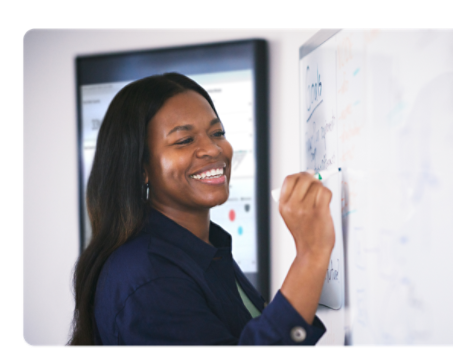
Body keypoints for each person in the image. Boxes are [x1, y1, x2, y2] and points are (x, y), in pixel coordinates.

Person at [68, 73, 336, 347]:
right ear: (142, 168)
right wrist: (310, 255)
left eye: (217, 133)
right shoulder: (148, 277)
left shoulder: (204, 250)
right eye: (184, 141)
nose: (212, 148)